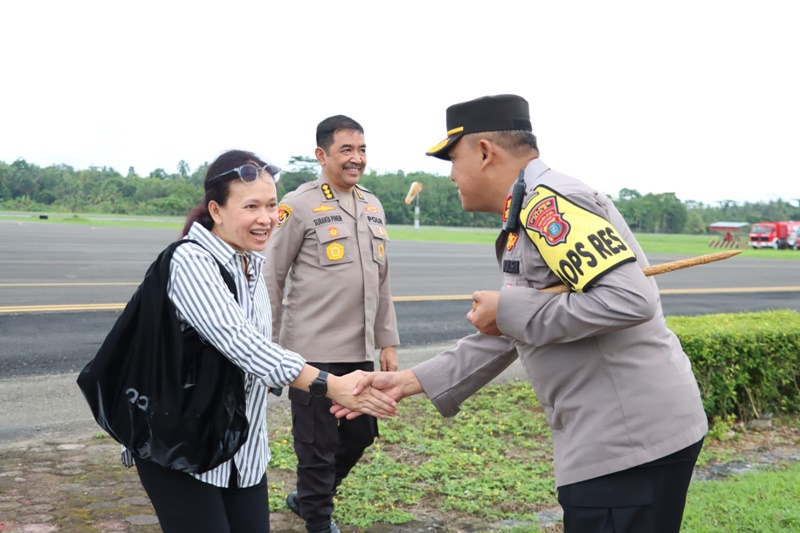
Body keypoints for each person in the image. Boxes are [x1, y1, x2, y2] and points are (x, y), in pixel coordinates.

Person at [338, 95, 709, 533]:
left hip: (629, 442)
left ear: (484, 152)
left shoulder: (551, 204)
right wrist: (406, 382)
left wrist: (509, 307)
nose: (452, 175)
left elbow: (630, 298)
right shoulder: (525, 210)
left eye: (453, 160)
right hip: (617, 436)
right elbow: (520, 326)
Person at [124, 149, 397, 533]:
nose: (266, 218)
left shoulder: (251, 263)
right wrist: (331, 384)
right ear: (216, 210)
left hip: (241, 449)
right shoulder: (191, 262)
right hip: (178, 443)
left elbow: (261, 345)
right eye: (251, 206)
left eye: (270, 205)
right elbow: (243, 345)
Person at [264, 116, 400, 533]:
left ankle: (308, 498)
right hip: (311, 352)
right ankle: (318, 521)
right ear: (321, 155)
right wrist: (267, 351)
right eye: (347, 150)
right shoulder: (299, 204)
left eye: (362, 150)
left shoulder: (372, 205)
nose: (356, 158)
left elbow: (382, 281)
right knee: (317, 445)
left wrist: (387, 341)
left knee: (361, 435)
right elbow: (271, 276)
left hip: (358, 350)